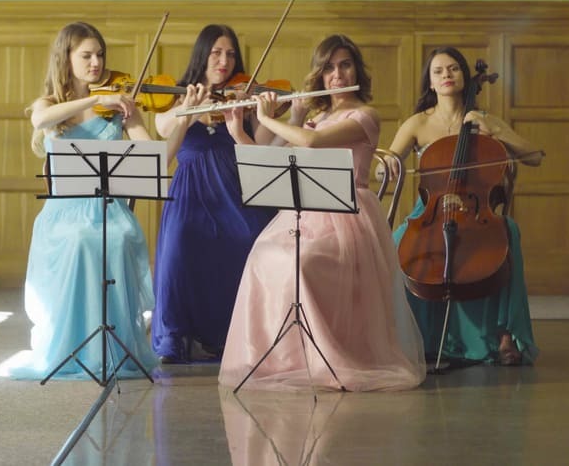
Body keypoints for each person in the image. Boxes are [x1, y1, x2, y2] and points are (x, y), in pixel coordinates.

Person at [218, 34, 426, 392]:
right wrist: (240, 131)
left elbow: (310, 143)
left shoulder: (365, 116)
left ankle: (323, 356)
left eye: (345, 65)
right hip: (304, 213)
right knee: (263, 257)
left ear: (356, 69)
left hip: (348, 216)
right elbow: (269, 161)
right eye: (328, 67)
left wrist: (269, 116)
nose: (337, 74)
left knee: (301, 263)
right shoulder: (314, 116)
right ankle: (284, 358)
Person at [7, 21, 158, 380]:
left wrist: (132, 115)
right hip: (64, 212)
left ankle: (114, 345)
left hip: (108, 209)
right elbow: (41, 119)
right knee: (80, 239)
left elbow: (153, 154)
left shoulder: (118, 106)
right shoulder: (51, 104)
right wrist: (94, 98)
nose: (96, 62)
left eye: (100, 55)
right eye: (86, 55)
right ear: (66, 58)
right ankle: (73, 346)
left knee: (117, 237)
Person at [388, 46, 543, 366]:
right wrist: (387, 165)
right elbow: (388, 161)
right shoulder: (417, 123)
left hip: (475, 210)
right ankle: (410, 338)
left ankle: (504, 334)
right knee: (396, 242)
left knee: (509, 231)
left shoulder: (484, 120)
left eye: (453, 68)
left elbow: (535, 157)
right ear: (430, 83)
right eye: (438, 71)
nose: (446, 75)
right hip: (430, 211)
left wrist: (497, 131)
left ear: (464, 76)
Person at [150, 25, 277, 364]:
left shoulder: (244, 97)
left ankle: (230, 334)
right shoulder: (182, 96)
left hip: (235, 189)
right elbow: (162, 131)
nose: (224, 60)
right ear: (202, 55)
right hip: (190, 190)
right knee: (179, 246)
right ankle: (175, 335)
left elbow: (262, 148)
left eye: (231, 54)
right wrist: (189, 110)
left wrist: (262, 112)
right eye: (217, 52)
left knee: (250, 238)